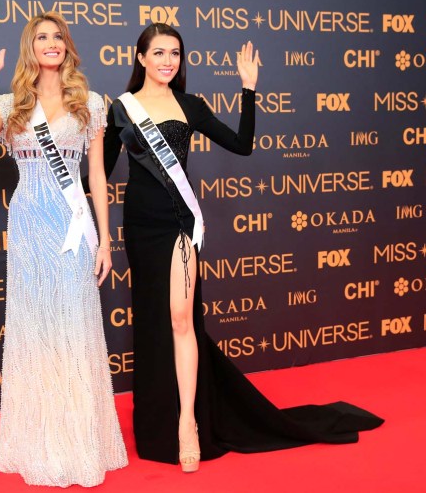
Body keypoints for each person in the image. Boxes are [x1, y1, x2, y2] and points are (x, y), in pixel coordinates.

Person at [98, 23, 383, 473]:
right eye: (158, 52)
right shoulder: (120, 110)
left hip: (179, 225)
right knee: (153, 322)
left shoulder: (190, 105)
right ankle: (157, 420)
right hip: (139, 228)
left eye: (175, 53)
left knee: (180, 318)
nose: (168, 60)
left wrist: (248, 90)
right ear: (140, 58)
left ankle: (187, 423)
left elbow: (243, 145)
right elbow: (100, 171)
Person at [0, 12, 127, 487]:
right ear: (29, 47)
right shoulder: (10, 100)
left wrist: (105, 239)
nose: (51, 43)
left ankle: (78, 439)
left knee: (73, 327)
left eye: (58, 37)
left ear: (67, 46)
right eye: (42, 37)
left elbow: (96, 176)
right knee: (36, 328)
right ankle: (39, 439)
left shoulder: (91, 102)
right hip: (31, 227)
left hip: (74, 229)